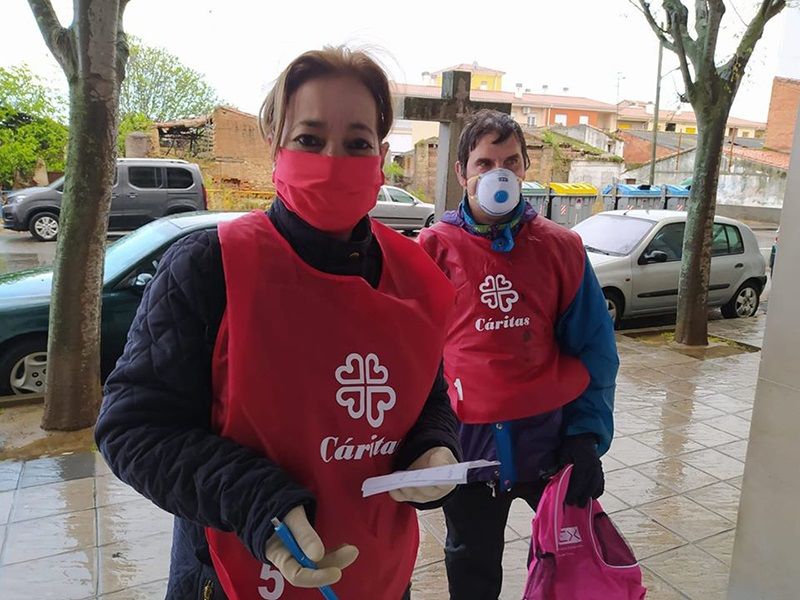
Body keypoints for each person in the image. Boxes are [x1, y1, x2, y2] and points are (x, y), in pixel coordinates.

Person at [95, 47, 462, 600]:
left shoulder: (418, 277)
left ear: (382, 155)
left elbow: (428, 395)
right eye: (310, 139)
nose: (333, 160)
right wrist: (258, 504)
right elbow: (132, 429)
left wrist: (435, 449)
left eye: (357, 143)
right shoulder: (211, 266)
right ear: (276, 146)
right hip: (235, 576)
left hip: (381, 576)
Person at [417, 109, 618, 600]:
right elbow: (413, 359)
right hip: (469, 450)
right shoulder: (432, 249)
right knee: (471, 566)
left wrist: (586, 435)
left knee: (564, 563)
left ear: (525, 168)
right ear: (462, 173)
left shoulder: (561, 248)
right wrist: (420, 442)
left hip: (549, 446)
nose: (498, 174)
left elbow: (594, 347)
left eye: (510, 162)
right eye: (484, 163)